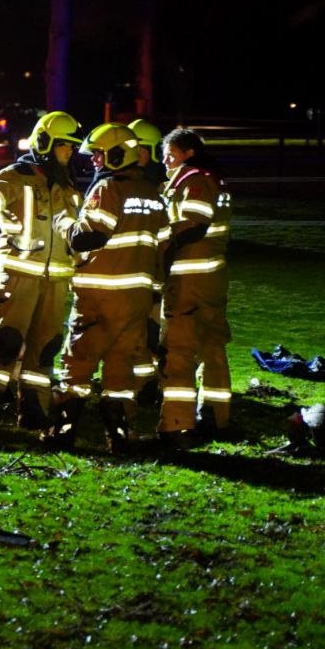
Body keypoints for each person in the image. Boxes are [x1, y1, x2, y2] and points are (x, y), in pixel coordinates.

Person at [0, 110, 83, 436]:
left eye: (72, 146)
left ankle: (34, 413)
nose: (69, 152)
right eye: (64, 145)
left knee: (45, 350)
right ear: (45, 143)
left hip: (56, 284)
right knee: (5, 347)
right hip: (18, 282)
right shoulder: (14, 176)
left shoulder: (68, 187)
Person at [47, 123, 167, 452]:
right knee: (120, 371)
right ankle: (120, 436)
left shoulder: (108, 188)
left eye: (99, 154)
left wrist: (63, 222)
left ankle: (62, 433)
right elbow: (163, 247)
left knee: (77, 367)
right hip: (135, 299)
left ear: (117, 154)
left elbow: (89, 237)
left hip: (98, 297)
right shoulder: (152, 194)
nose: (94, 161)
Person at [157, 127, 233, 447]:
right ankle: (217, 416)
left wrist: (158, 240)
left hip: (188, 281)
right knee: (212, 347)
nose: (165, 161)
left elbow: (193, 224)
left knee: (179, 351)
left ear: (189, 154)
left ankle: (177, 424)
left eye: (170, 155)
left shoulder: (194, 180)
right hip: (212, 279)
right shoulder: (215, 180)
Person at [127, 117, 167, 404]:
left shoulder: (160, 186)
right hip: (135, 270)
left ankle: (154, 383)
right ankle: (144, 384)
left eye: (138, 148)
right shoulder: (127, 182)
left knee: (155, 333)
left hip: (157, 273)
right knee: (138, 331)